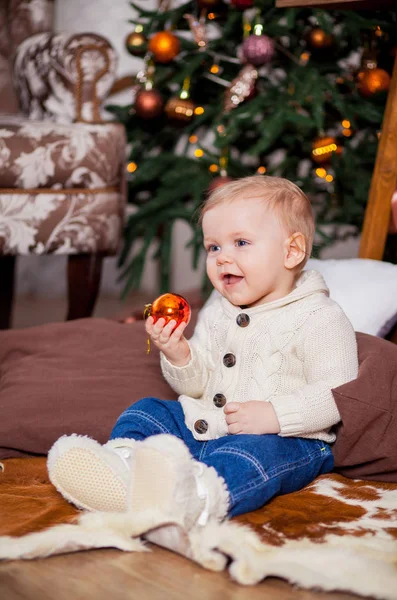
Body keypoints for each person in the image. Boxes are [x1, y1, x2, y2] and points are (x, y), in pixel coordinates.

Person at [48, 176, 358, 547]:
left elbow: (337, 394)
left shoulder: (320, 318)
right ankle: (122, 471)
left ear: (291, 252)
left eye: (241, 243)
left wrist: (274, 415)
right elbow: (196, 385)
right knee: (148, 411)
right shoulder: (219, 310)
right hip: (207, 425)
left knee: (252, 455)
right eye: (213, 247)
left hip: (289, 439)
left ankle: (192, 500)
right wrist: (179, 352)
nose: (222, 257)